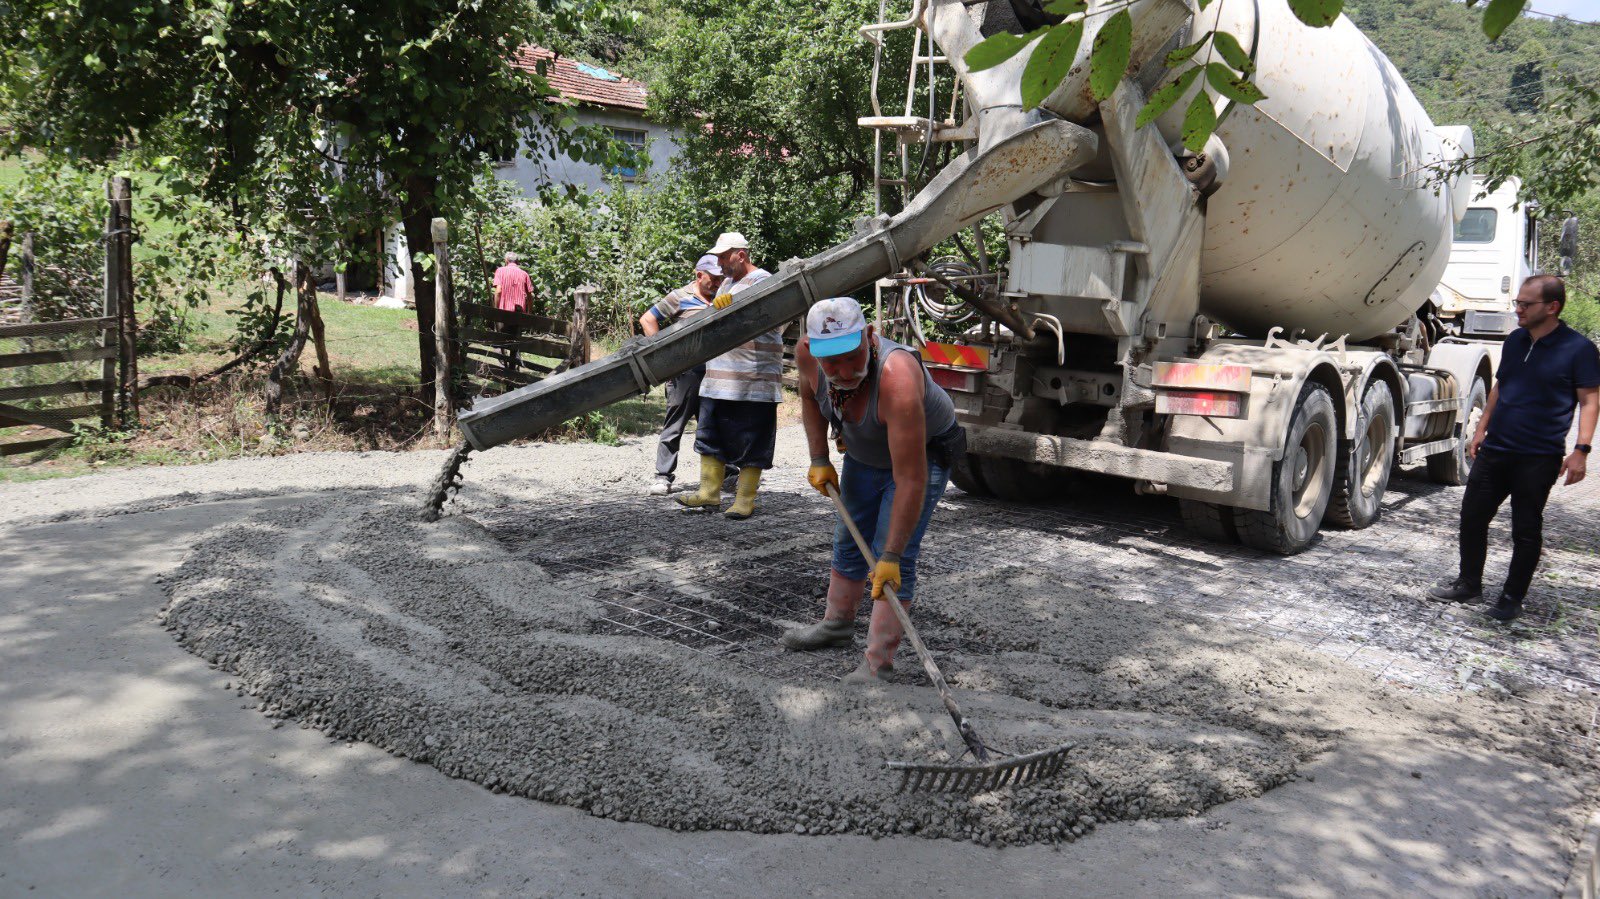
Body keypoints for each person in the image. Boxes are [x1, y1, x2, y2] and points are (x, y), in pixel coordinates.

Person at [780, 296, 966, 682]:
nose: (845, 371)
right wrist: (818, 458)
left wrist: (892, 554)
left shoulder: (896, 374)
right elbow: (811, 399)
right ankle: (837, 624)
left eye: (853, 355)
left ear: (869, 335)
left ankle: (878, 662)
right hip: (866, 455)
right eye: (832, 361)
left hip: (923, 456)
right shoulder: (806, 355)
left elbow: (910, 477)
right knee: (849, 538)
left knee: (892, 557)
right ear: (813, 349)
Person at [1429, 274, 1599, 622]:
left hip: (1538, 457)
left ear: (1552, 307)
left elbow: (1590, 401)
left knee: (1525, 529)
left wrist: (1581, 449)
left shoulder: (1579, 349)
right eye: (1518, 302)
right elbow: (1500, 386)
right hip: (1496, 451)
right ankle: (1469, 584)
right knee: (1472, 517)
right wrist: (1481, 429)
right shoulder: (1517, 340)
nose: (1517, 309)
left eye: (1525, 304)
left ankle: (1511, 599)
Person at [676, 232, 779, 519]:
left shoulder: (765, 280)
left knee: (752, 439)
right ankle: (709, 494)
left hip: (753, 381)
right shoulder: (727, 285)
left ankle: (745, 499)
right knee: (709, 436)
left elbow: (765, 314)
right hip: (718, 380)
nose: (718, 262)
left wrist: (737, 304)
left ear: (741, 255)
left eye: (723, 256)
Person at [640, 255, 722, 495]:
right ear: (699, 275)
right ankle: (662, 476)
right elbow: (648, 319)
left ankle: (725, 472)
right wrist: (664, 359)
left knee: (714, 423)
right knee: (675, 424)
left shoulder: (723, 295)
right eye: (713, 279)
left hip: (716, 371)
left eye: (720, 279)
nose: (717, 283)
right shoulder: (679, 297)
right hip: (685, 373)